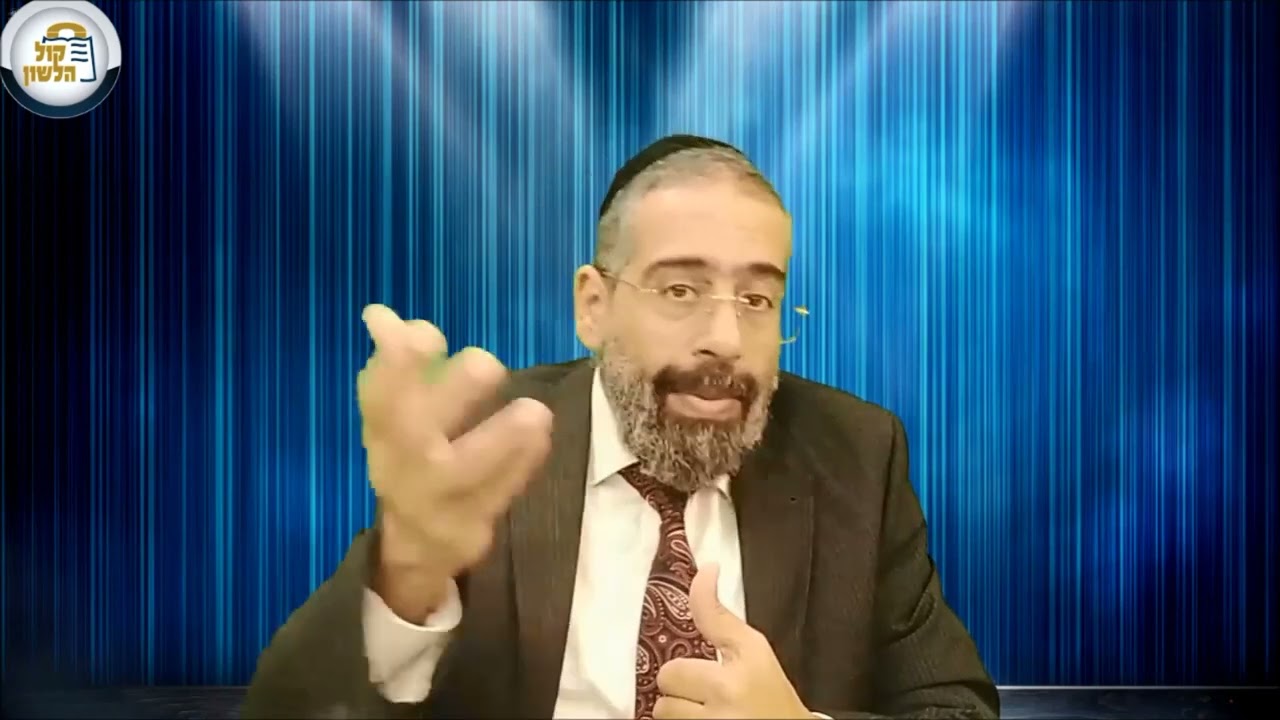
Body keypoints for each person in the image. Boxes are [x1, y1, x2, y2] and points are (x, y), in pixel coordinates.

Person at [242, 135, 1000, 720]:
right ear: (594, 306)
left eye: (757, 300)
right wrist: (405, 581)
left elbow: (956, 706)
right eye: (681, 289)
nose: (725, 340)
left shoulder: (856, 454)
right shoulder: (488, 440)